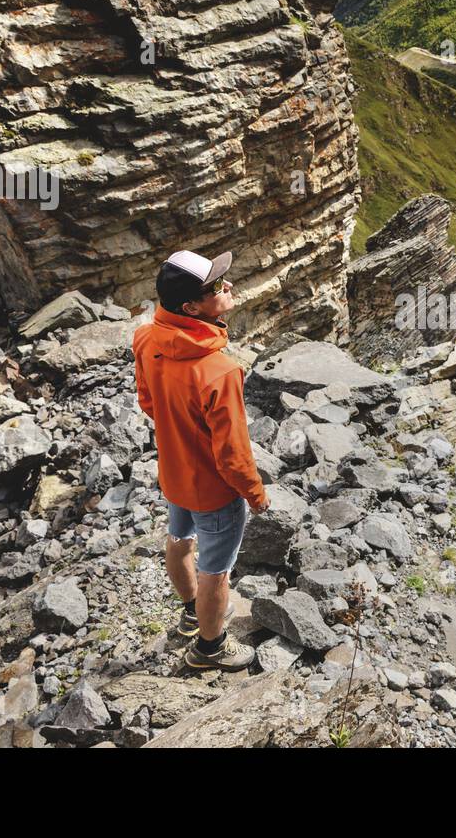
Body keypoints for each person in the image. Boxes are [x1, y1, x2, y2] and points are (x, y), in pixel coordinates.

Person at [132, 250, 269, 670]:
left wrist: (180, 432)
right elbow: (232, 455)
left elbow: (148, 402)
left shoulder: (145, 339)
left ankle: (191, 614)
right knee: (216, 571)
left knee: (179, 539)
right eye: (215, 287)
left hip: (173, 474)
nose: (227, 287)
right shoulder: (218, 371)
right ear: (192, 307)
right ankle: (211, 648)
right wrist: (255, 494)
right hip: (212, 490)